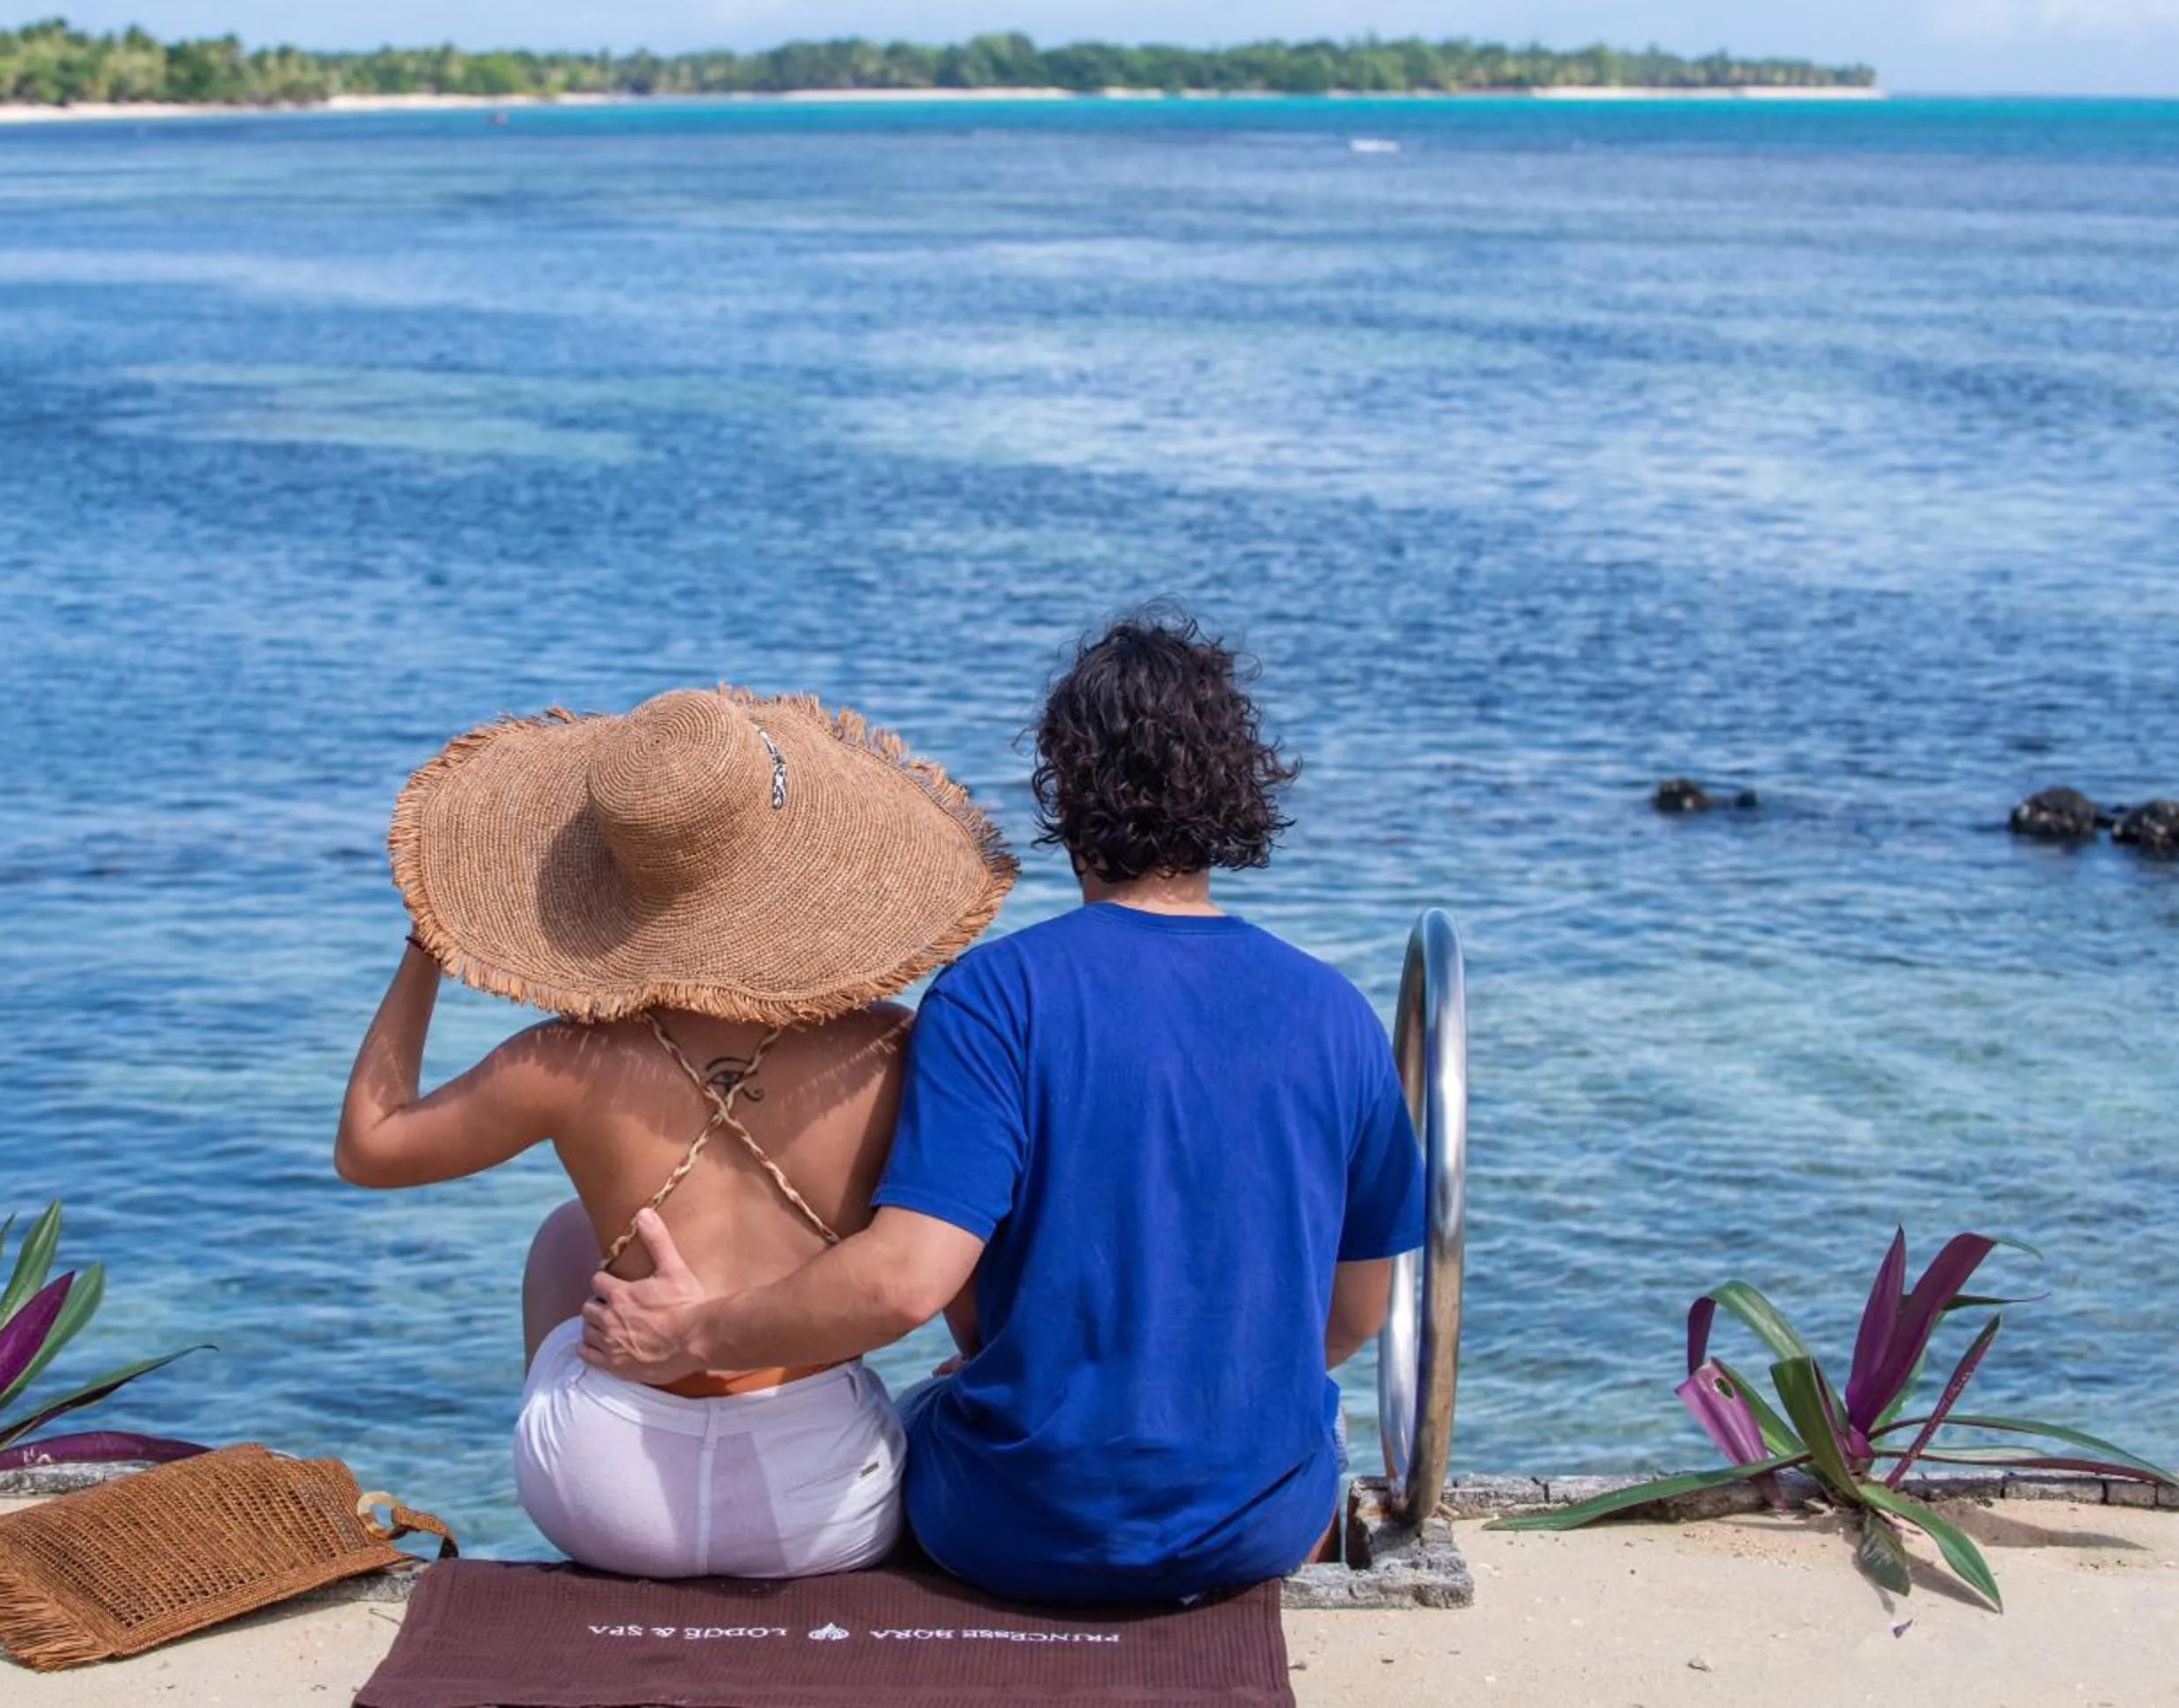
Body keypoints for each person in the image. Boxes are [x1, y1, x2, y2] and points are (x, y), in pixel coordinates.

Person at [582, 614, 1427, 1604]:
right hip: (1259, 1523)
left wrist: (696, 1333)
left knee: (911, 1412)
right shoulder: (1336, 1012)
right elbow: (1354, 1312)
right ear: (1236, 789)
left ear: (1066, 789)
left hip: (1020, 1522)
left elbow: (906, 1283)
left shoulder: (998, 996)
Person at [336, 686, 1015, 1579]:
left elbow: (370, 1146)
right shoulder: (890, 1046)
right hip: (821, 1506)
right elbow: (949, 1262)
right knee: (922, 1222)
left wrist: (429, 947)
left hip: (605, 1498)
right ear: (798, 859)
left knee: (566, 1234)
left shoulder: (565, 1059)